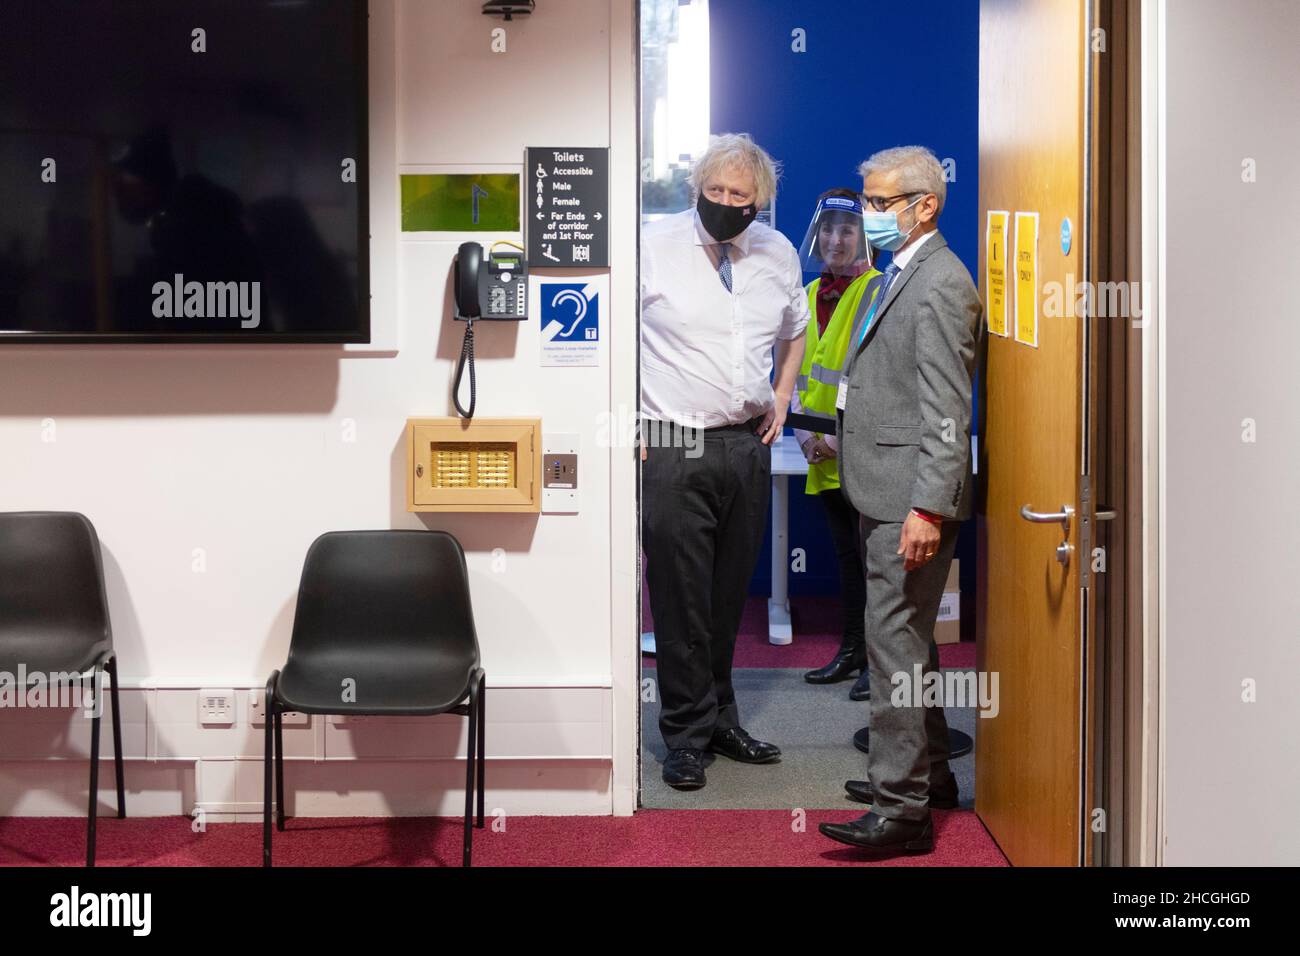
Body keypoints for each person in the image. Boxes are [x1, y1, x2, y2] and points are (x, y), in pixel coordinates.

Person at [818, 146, 981, 853]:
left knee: (894, 654)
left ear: (925, 206)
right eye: (867, 199)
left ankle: (901, 811)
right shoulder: (900, 272)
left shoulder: (942, 282)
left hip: (907, 501)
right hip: (880, 489)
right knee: (912, 646)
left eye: (881, 203)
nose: (868, 213)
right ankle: (930, 776)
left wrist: (928, 508)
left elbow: (948, 410)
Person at [640, 133, 809, 790]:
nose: (727, 203)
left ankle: (719, 717)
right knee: (680, 596)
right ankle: (684, 733)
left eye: (741, 196)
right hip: (673, 439)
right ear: (696, 190)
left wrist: (785, 392)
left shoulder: (776, 251)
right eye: (716, 192)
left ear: (759, 202)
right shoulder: (652, 246)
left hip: (746, 444)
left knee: (727, 592)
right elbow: (615, 336)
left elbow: (795, 329)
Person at [792, 188, 884, 701]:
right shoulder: (808, 294)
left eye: (847, 230)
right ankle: (852, 651)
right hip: (820, 453)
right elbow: (801, 375)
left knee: (875, 560)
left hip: (861, 453)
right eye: (827, 228)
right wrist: (807, 435)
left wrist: (836, 438)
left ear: (865, 237)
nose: (835, 239)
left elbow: (878, 378)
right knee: (847, 557)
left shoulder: (878, 289)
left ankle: (877, 659)